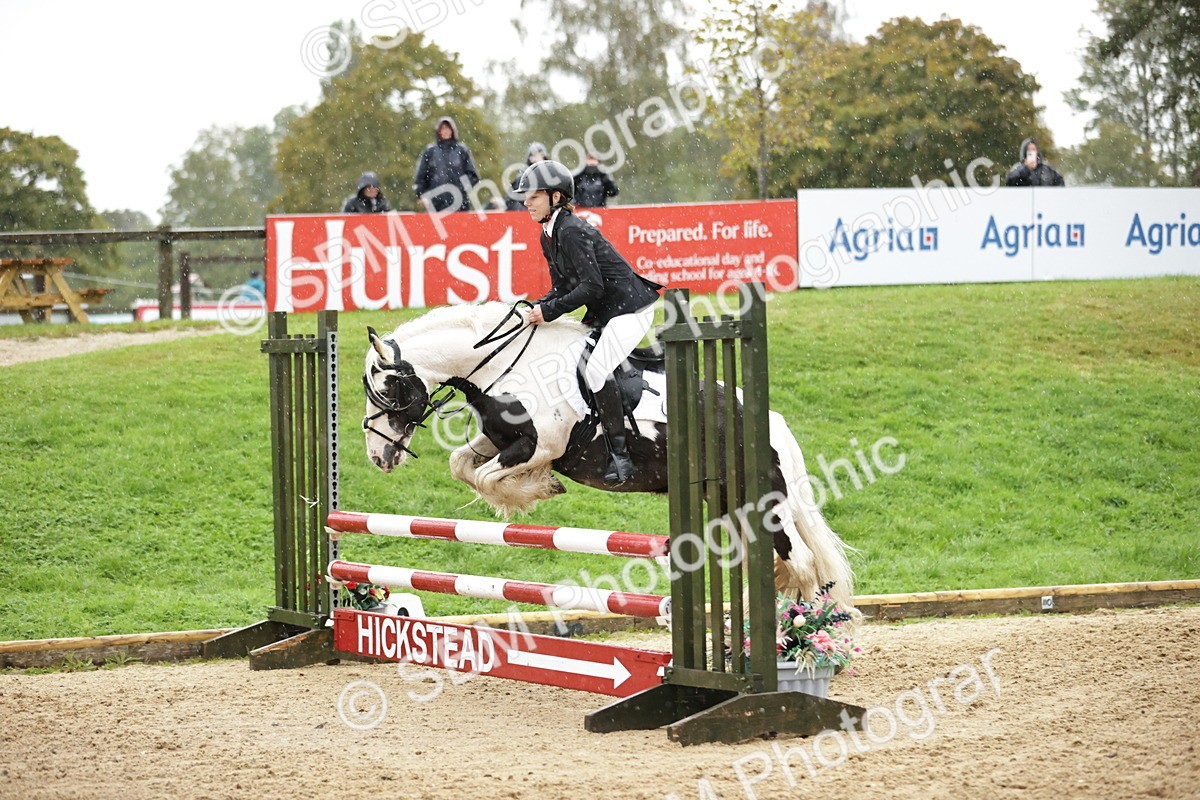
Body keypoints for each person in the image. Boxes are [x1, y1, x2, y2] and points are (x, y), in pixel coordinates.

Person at [513, 160, 663, 486]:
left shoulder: (571, 230)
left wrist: (550, 312)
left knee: (596, 370)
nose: (526, 202)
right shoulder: (548, 234)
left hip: (631, 309)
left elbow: (591, 286)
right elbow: (562, 287)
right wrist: (537, 307)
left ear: (555, 197)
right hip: (607, 309)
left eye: (533, 196)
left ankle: (620, 456)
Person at [412, 116, 480, 212]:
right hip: (435, 206)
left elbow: (473, 176)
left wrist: (460, 190)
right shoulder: (430, 152)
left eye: (448, 128)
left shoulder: (461, 150)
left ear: (453, 130)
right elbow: (421, 178)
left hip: (460, 205)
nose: (445, 131)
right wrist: (423, 195)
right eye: (442, 128)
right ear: (438, 131)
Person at [505, 142, 549, 211]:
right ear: (530, 159)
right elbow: (511, 202)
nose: (538, 159)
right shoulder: (522, 178)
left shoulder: (551, 177)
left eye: (540, 156)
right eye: (535, 156)